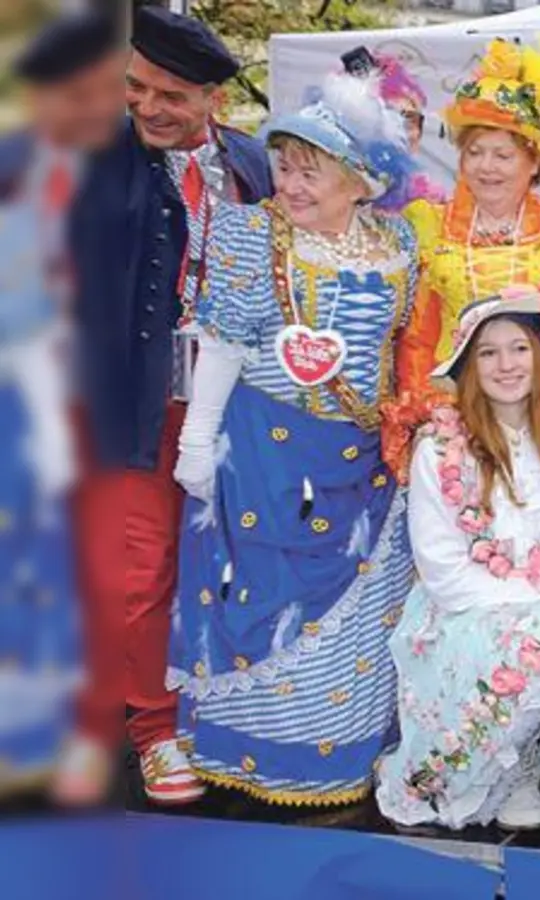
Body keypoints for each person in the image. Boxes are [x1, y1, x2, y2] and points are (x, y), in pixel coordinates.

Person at [163, 68, 418, 806]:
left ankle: (332, 755)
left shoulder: (399, 243)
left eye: (313, 172)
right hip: (261, 449)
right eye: (284, 165)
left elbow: (403, 346)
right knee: (256, 595)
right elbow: (223, 341)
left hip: (361, 461)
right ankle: (248, 751)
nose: (292, 184)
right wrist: (197, 439)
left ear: (360, 183)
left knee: (355, 605)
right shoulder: (249, 232)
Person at [72, 5, 273, 807]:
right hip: (133, 404)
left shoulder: (256, 165)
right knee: (140, 572)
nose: (148, 107)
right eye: (137, 88)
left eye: (170, 96)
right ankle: (153, 732)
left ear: (213, 101)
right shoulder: (89, 158)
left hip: (242, 412)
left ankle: (222, 716)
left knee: (227, 568)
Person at [376, 293, 540, 830]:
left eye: (519, 348)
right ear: (468, 367)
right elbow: (445, 574)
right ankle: (511, 763)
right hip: (468, 618)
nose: (506, 365)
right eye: (488, 353)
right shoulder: (439, 448)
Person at [0, 8, 127, 807]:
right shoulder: (11, 164)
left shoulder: (127, 170)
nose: (91, 110)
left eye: (101, 92)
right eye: (74, 94)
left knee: (100, 575)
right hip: (17, 396)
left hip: (98, 409)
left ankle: (86, 734)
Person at [393, 37, 540, 416]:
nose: (486, 167)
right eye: (475, 152)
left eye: (503, 155)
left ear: (534, 163)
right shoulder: (428, 224)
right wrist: (426, 410)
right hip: (450, 407)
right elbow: (417, 336)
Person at [371, 50, 447, 211]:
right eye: (387, 120)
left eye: (409, 121)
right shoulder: (327, 200)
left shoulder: (433, 203)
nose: (401, 133)